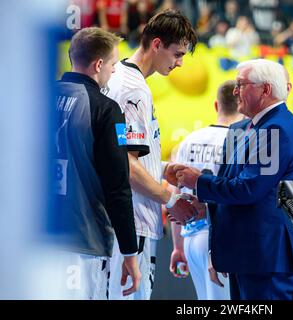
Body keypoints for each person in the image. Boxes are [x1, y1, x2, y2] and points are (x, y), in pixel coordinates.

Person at [170, 59, 293, 300]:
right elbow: (235, 183)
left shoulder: (276, 128)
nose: (235, 91)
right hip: (246, 254)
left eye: (241, 84)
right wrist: (205, 206)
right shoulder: (243, 128)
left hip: (267, 258)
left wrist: (199, 181)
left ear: (265, 90)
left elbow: (249, 188)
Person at [105, 9, 198, 300]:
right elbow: (126, 165)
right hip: (132, 221)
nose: (180, 63)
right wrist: (172, 200)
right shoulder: (133, 90)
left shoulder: (121, 77)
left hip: (126, 219)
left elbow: (122, 153)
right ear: (156, 45)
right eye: (177, 54)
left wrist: (163, 167)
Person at [54, 27, 140, 299]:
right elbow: (118, 186)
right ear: (99, 64)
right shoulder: (106, 108)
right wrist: (130, 252)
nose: (114, 71)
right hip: (82, 242)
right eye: (113, 64)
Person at [169, 80, 244, 300]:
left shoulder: (188, 141)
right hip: (220, 238)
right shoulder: (239, 141)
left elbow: (176, 195)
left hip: (191, 237)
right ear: (242, 104)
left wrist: (178, 247)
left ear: (215, 105)